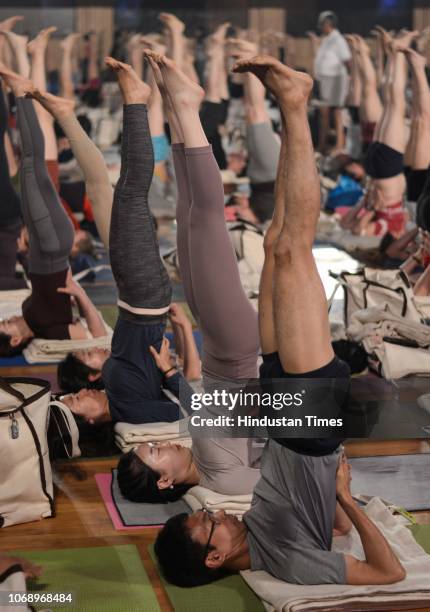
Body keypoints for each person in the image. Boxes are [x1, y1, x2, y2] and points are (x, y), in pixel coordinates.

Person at [154, 56, 405, 588]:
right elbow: (387, 572)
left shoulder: (258, 529)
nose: (217, 513)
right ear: (215, 559)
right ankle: (294, 103)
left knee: (274, 243)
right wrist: (344, 499)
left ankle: (292, 103)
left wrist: (214, 397)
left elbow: (325, 524)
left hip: (283, 416)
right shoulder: (284, 559)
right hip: (311, 428)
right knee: (293, 249)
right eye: (209, 526)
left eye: (207, 513)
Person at [116, 48, 261, 502]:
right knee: (206, 224)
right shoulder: (223, 478)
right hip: (239, 358)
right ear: (165, 481)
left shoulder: (205, 461)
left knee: (187, 219)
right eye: (155, 453)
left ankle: (181, 110)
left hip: (223, 358)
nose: (160, 442)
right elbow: (285, 443)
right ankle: (187, 110)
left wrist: (176, 369)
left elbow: (209, 415)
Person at [0, 65, 107, 357]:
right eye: (4, 328)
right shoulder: (48, 329)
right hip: (51, 245)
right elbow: (93, 334)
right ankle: (21, 93)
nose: (5, 321)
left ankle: (22, 93)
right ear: (15, 341)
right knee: (31, 163)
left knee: (32, 165)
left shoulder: (31, 315)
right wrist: (80, 296)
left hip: (43, 244)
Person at [314, 11, 351, 152]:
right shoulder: (328, 39)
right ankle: (324, 143)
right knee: (324, 113)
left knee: (335, 112)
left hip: (335, 79)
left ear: (328, 24)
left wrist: (349, 81)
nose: (321, 28)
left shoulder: (338, 40)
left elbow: (347, 61)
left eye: (322, 25)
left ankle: (339, 144)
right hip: (326, 79)